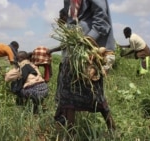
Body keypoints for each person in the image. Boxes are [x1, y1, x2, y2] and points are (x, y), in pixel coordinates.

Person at [49, 0, 116, 136]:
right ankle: (70, 135)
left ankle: (112, 131)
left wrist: (86, 40)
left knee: (96, 95)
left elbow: (102, 21)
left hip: (88, 52)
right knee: (68, 95)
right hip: (72, 52)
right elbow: (70, 20)